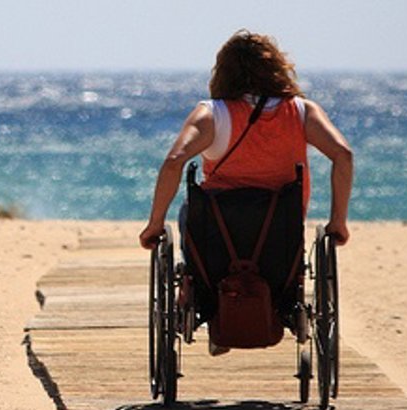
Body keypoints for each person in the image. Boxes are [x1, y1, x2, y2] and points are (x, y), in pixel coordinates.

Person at [138, 30, 353, 252]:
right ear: (277, 69)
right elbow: (343, 155)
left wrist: (155, 224)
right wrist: (338, 222)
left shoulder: (212, 114)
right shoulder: (302, 111)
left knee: (190, 209)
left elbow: (174, 161)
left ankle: (194, 272)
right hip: (280, 231)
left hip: (216, 232)